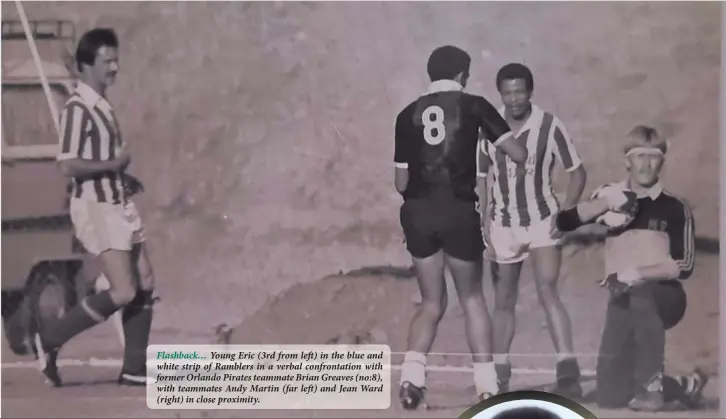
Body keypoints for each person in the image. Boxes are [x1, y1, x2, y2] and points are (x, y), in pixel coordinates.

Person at [393, 45, 528, 409]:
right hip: (457, 208)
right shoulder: (474, 105)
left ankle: (410, 379)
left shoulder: (407, 114)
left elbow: (400, 183)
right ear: (462, 75)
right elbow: (518, 153)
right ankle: (486, 386)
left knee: (431, 302)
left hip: (419, 212)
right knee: (472, 299)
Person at [31, 28, 156, 387]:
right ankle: (50, 339)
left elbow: (100, 161)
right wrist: (114, 165)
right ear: (86, 66)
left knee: (145, 281)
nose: (115, 68)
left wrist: (123, 178)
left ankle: (134, 368)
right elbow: (68, 165)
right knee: (124, 290)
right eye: (107, 62)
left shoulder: (102, 105)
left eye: (117, 60)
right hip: (97, 207)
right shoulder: (78, 109)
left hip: (117, 199)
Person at [554, 125, 708, 411]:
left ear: (662, 161)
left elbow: (684, 265)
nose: (646, 164)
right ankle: (684, 385)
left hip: (665, 296)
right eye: (639, 157)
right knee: (610, 397)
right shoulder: (613, 202)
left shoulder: (675, 207)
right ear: (627, 160)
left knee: (641, 294)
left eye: (653, 157)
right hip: (623, 300)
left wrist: (637, 274)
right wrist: (603, 203)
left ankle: (652, 391)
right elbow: (564, 223)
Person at [478, 63, 587, 397]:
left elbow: (577, 172)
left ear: (530, 91)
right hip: (503, 224)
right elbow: (482, 177)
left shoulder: (550, 126)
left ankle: (568, 374)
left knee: (547, 290)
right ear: (501, 94)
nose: (514, 99)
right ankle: (499, 375)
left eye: (520, 91)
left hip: (543, 221)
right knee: (504, 301)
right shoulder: (488, 127)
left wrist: (566, 212)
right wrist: (483, 218)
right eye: (508, 92)